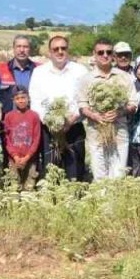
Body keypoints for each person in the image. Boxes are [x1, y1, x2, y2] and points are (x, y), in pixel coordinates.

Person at [28, 34, 88, 180]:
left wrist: (71, 119)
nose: (60, 52)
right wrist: (50, 121)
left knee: (75, 172)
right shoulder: (39, 72)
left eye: (63, 48)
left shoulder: (80, 71)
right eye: (56, 49)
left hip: (73, 128)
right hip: (49, 130)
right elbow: (36, 101)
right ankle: (53, 201)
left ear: (68, 50)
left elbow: (86, 98)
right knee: (52, 171)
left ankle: (75, 199)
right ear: (50, 52)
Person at [77, 38, 138, 181]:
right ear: (94, 54)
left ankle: (116, 203)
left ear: (113, 55)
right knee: (100, 177)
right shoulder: (86, 79)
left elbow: (133, 104)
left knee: (118, 176)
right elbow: (82, 106)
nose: (105, 55)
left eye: (108, 52)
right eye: (101, 52)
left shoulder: (124, 77)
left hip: (120, 135)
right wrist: (95, 116)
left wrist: (119, 112)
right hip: (96, 136)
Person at [3, 86, 42, 190]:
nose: (21, 101)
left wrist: (27, 157)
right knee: (15, 187)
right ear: (13, 100)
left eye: (23, 97)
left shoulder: (34, 116)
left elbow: (36, 138)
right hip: (13, 160)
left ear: (28, 98)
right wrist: (15, 156)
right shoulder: (8, 116)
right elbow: (7, 140)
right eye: (17, 98)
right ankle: (15, 206)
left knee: (29, 188)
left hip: (30, 159)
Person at [0, 35, 38, 112]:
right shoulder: (2, 69)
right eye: (18, 46)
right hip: (8, 120)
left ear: (30, 49)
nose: (22, 50)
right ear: (13, 48)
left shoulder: (38, 69)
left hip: (32, 119)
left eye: (25, 47)